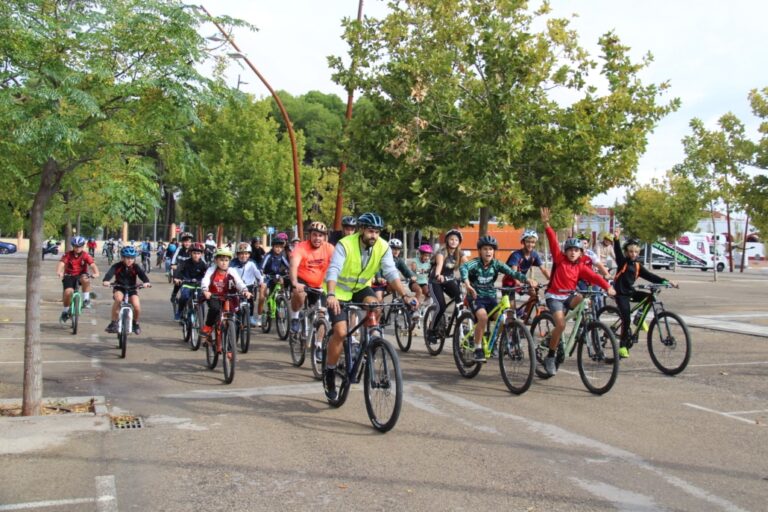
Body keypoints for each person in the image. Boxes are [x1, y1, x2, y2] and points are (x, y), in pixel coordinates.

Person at [323, 212, 417, 400]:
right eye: (370, 231)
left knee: (376, 305)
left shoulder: (383, 246)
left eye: (377, 232)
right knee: (341, 333)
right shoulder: (346, 244)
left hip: (361, 288)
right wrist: (332, 294)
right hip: (339, 291)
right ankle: (330, 372)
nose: (374, 235)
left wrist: (405, 294)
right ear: (362, 230)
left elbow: (391, 272)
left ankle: (372, 340)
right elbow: (333, 270)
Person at [540, 207, 615, 376]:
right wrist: (546, 224)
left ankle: (583, 324)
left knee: (583, 299)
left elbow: (595, 277)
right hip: (554, 296)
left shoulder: (581, 266)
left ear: (581, 253)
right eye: (570, 250)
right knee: (560, 324)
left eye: (576, 250)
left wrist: (608, 287)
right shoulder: (560, 260)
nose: (573, 253)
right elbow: (552, 240)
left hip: (569, 295)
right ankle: (551, 356)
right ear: (565, 251)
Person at [460, 235, 536, 362]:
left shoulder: (496, 264)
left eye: (490, 249)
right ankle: (478, 349)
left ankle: (493, 342)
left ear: (494, 251)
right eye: (485, 249)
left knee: (502, 320)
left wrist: (527, 279)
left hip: (490, 297)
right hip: (475, 297)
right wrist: (468, 285)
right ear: (480, 251)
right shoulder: (475, 262)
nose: (488, 252)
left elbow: (512, 273)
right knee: (483, 318)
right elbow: (464, 268)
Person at [612, 227, 677, 358]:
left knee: (649, 297)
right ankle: (623, 346)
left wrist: (667, 281)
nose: (633, 254)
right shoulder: (622, 262)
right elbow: (617, 252)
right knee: (625, 319)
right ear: (626, 252)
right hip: (620, 294)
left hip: (630, 292)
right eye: (630, 251)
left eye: (636, 252)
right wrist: (616, 238)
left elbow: (651, 276)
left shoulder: (637, 265)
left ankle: (639, 318)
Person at [289, 222, 334, 336]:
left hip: (320, 285)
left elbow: (338, 266)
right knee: (299, 294)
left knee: (322, 318)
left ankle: (318, 347)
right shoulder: (301, 247)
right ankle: (295, 317)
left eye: (320, 235)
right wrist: (294, 282)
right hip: (303, 281)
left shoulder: (329, 248)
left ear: (325, 237)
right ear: (309, 235)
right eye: (314, 235)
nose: (317, 238)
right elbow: (294, 265)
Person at [200, 248, 252, 342]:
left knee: (235, 315)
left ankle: (231, 345)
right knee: (215, 309)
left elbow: (239, 282)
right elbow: (206, 279)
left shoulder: (231, 271)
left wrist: (245, 290)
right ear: (216, 260)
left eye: (226, 260)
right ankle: (208, 327)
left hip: (229, 297)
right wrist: (205, 290)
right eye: (221, 260)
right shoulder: (211, 270)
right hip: (214, 296)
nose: (224, 263)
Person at [427, 229, 468, 343]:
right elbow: (439, 265)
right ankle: (431, 330)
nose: (454, 241)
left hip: (449, 280)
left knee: (460, 300)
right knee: (441, 306)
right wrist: (438, 275)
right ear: (447, 240)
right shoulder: (442, 252)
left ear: (459, 242)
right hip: (436, 281)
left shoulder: (460, 253)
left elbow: (468, 265)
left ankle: (459, 322)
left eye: (456, 240)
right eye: (451, 239)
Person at [102, 246, 151, 334]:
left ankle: (135, 323)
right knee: (118, 299)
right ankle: (113, 323)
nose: (130, 260)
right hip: (119, 287)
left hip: (132, 289)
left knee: (137, 306)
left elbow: (143, 276)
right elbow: (109, 274)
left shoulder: (136, 267)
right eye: (127, 258)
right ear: (122, 258)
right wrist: (106, 281)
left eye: (132, 258)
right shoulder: (117, 266)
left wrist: (146, 282)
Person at [57, 236, 100, 322]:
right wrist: (59, 272)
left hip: (81, 275)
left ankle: (86, 299)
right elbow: (61, 263)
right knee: (68, 292)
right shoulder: (68, 255)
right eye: (76, 246)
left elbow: (92, 265)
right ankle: (65, 311)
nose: (78, 248)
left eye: (80, 246)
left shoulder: (85, 255)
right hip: (69, 275)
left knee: (85, 279)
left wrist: (96, 273)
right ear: (73, 246)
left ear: (83, 246)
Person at [502, 230, 552, 300]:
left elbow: (543, 269)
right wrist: (520, 284)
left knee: (535, 296)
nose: (530, 244)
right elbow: (514, 273)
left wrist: (552, 280)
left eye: (533, 242)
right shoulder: (516, 255)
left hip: (522, 281)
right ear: (523, 242)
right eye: (528, 242)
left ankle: (526, 311)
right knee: (511, 309)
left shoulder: (534, 255)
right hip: (509, 283)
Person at [172, 242, 208, 322]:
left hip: (198, 285)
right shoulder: (185, 263)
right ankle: (179, 312)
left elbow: (208, 274)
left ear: (201, 254)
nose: (196, 255)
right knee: (184, 296)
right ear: (190, 253)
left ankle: (201, 318)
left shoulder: (203, 264)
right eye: (194, 253)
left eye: (198, 253)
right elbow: (178, 271)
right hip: (187, 283)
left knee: (202, 299)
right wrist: (177, 278)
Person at [231, 242, 264, 326]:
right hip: (236, 286)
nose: (244, 256)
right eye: (241, 254)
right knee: (234, 301)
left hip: (249, 285)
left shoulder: (252, 263)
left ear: (249, 254)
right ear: (237, 254)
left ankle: (250, 317)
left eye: (246, 254)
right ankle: (234, 315)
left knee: (250, 302)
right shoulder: (233, 263)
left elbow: (258, 274)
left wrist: (261, 282)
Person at [259, 234, 291, 319]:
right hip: (267, 276)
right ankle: (260, 313)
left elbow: (288, 266)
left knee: (282, 280)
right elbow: (262, 266)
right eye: (276, 247)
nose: (278, 249)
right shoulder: (268, 255)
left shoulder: (282, 256)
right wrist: (261, 272)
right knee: (263, 294)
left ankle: (282, 296)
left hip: (276, 276)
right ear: (273, 247)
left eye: (280, 247)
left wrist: (291, 271)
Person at [170, 232, 194, 305]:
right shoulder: (179, 249)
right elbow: (173, 260)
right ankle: (174, 295)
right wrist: (173, 265)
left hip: (191, 271)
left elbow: (201, 261)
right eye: (185, 241)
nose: (187, 243)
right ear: (183, 242)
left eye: (189, 242)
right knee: (178, 282)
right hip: (180, 271)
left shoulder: (194, 249)